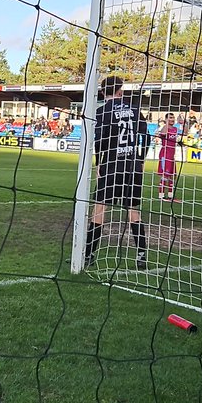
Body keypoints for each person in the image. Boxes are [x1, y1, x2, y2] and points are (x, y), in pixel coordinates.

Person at [84, 75, 149, 271]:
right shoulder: (135, 109)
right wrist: (141, 159)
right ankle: (141, 254)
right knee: (133, 212)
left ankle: (88, 255)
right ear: (120, 91)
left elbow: (99, 141)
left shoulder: (103, 111)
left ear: (104, 92)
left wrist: (99, 164)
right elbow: (146, 136)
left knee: (99, 210)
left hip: (112, 165)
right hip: (132, 165)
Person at [156, 112, 181, 202]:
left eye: (173, 118)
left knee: (172, 176)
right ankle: (161, 196)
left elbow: (185, 133)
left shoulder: (175, 129)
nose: (172, 119)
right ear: (166, 119)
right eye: (170, 118)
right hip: (165, 155)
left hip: (172, 156)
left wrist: (184, 123)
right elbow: (162, 134)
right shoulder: (164, 128)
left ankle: (170, 196)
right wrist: (166, 123)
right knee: (164, 176)